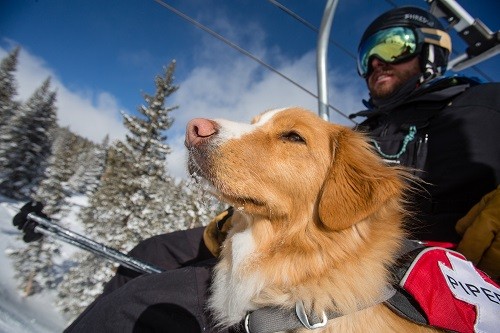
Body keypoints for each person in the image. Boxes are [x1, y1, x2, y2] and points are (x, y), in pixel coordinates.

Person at [62, 6, 499, 332]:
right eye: (369, 55)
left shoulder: (479, 105)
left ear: (430, 54)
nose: (378, 62)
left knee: (136, 310)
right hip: (278, 231)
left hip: (373, 262)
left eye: (394, 45)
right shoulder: (367, 126)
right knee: (152, 251)